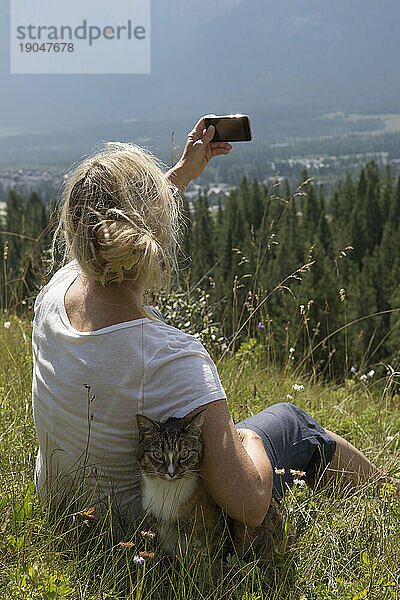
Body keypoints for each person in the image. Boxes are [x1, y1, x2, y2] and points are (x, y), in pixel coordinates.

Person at [31, 115, 393, 539]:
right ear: (156, 232)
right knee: (290, 422)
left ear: (76, 230)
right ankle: (387, 494)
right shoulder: (169, 357)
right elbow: (249, 503)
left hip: (68, 512)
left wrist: (182, 173)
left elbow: (108, 235)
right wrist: (247, 440)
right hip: (154, 528)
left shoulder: (53, 295)